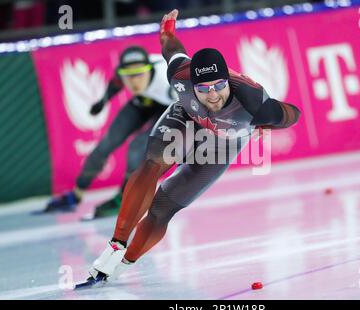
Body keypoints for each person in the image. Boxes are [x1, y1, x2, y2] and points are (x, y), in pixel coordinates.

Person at [79, 9, 301, 285]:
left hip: (224, 142)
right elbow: (172, 49)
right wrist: (167, 33)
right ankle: (116, 244)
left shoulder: (254, 103)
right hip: (186, 118)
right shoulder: (180, 76)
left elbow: (293, 115)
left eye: (219, 86)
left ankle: (125, 263)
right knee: (153, 163)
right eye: (204, 88)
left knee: (163, 207)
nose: (212, 95)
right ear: (191, 84)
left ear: (228, 82)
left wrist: (264, 123)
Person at [45, 46, 177, 219]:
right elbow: (116, 81)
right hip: (143, 103)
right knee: (105, 145)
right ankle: (75, 196)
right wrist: (103, 101)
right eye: (128, 76)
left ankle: (125, 198)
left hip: (171, 109)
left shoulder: (168, 80)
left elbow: (191, 109)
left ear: (150, 70)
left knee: (138, 147)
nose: (134, 82)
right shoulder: (126, 76)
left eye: (139, 74)